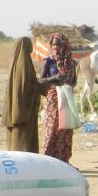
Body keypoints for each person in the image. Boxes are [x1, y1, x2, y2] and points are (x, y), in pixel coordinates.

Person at [37, 32, 77, 162]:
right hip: (53, 99)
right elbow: (41, 80)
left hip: (67, 98)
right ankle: (48, 160)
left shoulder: (71, 63)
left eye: (59, 44)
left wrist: (67, 83)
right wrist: (55, 78)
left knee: (65, 130)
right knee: (52, 127)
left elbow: (74, 81)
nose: (56, 47)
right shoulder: (48, 61)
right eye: (54, 44)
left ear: (64, 46)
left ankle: (63, 160)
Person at [3, 37, 41, 153]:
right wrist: (41, 86)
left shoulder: (15, 64)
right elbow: (26, 88)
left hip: (16, 109)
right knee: (23, 142)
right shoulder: (23, 64)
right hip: (23, 111)